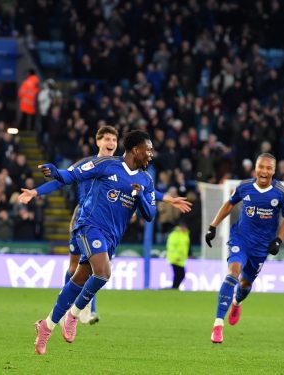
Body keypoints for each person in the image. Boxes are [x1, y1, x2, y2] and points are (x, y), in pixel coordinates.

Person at [19, 126, 191, 326]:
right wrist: (35, 192)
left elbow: (142, 190)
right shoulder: (93, 164)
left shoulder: (123, 168)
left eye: (114, 140)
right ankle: (69, 312)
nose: (111, 143)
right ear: (97, 141)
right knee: (81, 267)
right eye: (107, 139)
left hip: (109, 226)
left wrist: (167, 199)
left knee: (94, 269)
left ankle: (81, 311)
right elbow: (62, 180)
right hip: (83, 220)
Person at [31, 130, 158, 355]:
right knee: (103, 273)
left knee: (79, 277)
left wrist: (138, 196)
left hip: (111, 237)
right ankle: (74, 314)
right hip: (89, 225)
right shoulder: (106, 164)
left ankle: (46, 326)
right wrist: (55, 172)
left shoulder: (146, 180)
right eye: (148, 149)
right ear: (136, 149)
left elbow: (150, 214)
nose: (151, 154)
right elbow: (73, 175)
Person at [204, 153, 284, 344]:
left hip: (261, 248)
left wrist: (278, 240)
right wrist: (213, 226)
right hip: (241, 239)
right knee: (233, 272)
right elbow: (229, 204)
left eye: (269, 168)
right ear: (256, 168)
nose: (264, 171)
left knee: (245, 284)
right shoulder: (244, 187)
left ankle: (236, 302)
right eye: (261, 167)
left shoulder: (281, 193)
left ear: (274, 170)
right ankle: (218, 324)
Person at [166, 221, 191, 289]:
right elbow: (171, 247)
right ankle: (175, 287)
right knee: (180, 274)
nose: (184, 228)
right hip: (175, 258)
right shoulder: (174, 235)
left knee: (180, 274)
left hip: (181, 259)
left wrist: (187, 255)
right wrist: (175, 256)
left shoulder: (185, 235)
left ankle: (175, 287)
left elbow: (186, 247)